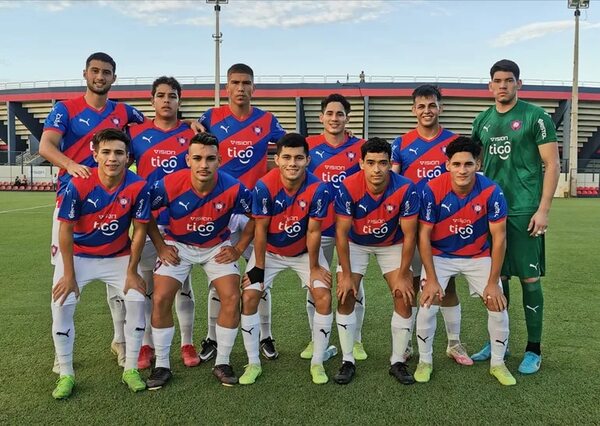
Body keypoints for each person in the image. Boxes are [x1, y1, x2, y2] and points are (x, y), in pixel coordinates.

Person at [40, 52, 145, 370]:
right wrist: (71, 165)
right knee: (63, 277)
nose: (100, 76)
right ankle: (63, 355)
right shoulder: (65, 109)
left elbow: (153, 130)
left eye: (107, 72)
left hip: (114, 199)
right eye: (95, 71)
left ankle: (120, 341)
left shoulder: (125, 111)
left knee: (118, 271)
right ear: (85, 73)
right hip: (72, 201)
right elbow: (46, 146)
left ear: (114, 78)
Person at [471, 59, 560, 374]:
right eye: (498, 80)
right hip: (492, 212)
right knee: (498, 278)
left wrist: (544, 209)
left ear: (518, 84)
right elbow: (474, 168)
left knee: (530, 278)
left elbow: (552, 164)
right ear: (490, 85)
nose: (503, 85)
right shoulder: (481, 121)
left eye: (509, 80)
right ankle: (500, 342)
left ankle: (534, 349)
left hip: (524, 211)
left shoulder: (535, 117)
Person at [145, 132, 254, 389]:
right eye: (197, 158)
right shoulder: (167, 184)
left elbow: (258, 218)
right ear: (188, 160)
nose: (203, 164)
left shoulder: (234, 187)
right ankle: (162, 364)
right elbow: (145, 212)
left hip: (216, 246)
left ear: (219, 160)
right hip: (178, 245)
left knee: (231, 297)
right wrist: (161, 246)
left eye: (210, 158)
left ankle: (223, 361)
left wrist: (238, 249)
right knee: (160, 298)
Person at [50, 129, 150, 399]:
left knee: (138, 299)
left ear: (128, 157)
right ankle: (66, 374)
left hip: (118, 257)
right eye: (106, 152)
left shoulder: (138, 185)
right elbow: (65, 230)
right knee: (61, 303)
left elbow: (140, 231)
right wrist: (69, 274)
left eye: (119, 153)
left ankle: (131, 369)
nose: (112, 158)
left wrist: (131, 271)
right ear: (95, 155)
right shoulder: (78, 184)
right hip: (79, 256)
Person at [197, 63, 286, 362]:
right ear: (226, 87)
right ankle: (210, 336)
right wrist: (187, 123)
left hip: (254, 208)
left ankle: (266, 335)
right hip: (220, 207)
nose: (240, 88)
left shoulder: (267, 119)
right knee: (219, 275)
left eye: (246, 82)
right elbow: (190, 134)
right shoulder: (211, 117)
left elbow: (287, 147)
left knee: (258, 274)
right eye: (234, 82)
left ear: (253, 87)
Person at [415, 136, 515, 386]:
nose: (462, 170)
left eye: (468, 164)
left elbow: (499, 239)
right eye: (457, 164)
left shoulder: (492, 190)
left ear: (477, 164)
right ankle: (425, 361)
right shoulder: (431, 189)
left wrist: (493, 282)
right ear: (447, 164)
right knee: (428, 302)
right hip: (440, 254)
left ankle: (498, 364)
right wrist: (431, 279)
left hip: (477, 255)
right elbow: (423, 236)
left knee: (497, 304)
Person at [241, 133, 332, 385]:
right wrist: (258, 267)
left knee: (323, 294)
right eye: (287, 157)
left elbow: (314, 231)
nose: (293, 163)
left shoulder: (318, 188)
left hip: (303, 253)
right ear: (277, 159)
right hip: (270, 252)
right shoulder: (263, 186)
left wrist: (314, 268)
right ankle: (253, 362)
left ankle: (318, 363)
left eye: (299, 158)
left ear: (308, 160)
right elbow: (260, 229)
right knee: (249, 294)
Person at [391, 84, 471, 366]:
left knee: (447, 288)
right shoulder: (400, 144)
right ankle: (408, 343)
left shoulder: (454, 142)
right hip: (413, 227)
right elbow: (393, 184)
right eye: (421, 106)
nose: (427, 111)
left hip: (445, 226)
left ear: (440, 108)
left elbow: (466, 180)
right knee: (411, 285)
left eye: (432, 105)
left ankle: (454, 343)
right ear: (413, 110)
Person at [334, 137, 419, 385]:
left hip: (392, 244)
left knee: (403, 294)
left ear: (390, 163)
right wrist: (347, 275)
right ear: (361, 163)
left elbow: (410, 234)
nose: (377, 169)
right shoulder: (347, 187)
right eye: (370, 162)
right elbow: (341, 232)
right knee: (346, 293)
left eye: (383, 163)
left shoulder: (405, 187)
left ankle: (397, 361)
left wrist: (404, 274)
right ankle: (347, 359)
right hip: (355, 243)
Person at [128, 76, 200, 369]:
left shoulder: (191, 133)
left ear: (179, 101)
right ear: (152, 101)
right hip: (146, 223)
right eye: (161, 95)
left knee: (182, 286)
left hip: (179, 222)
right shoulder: (136, 134)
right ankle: (146, 345)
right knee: (147, 286)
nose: (166, 100)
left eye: (172, 95)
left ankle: (187, 341)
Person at [305, 93, 365, 361]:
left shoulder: (360, 147)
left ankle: (357, 340)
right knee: (315, 284)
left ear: (347, 118)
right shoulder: (308, 146)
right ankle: (316, 339)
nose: (334, 118)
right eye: (329, 113)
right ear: (321, 117)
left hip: (348, 230)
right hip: (317, 227)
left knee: (351, 284)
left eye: (340, 114)